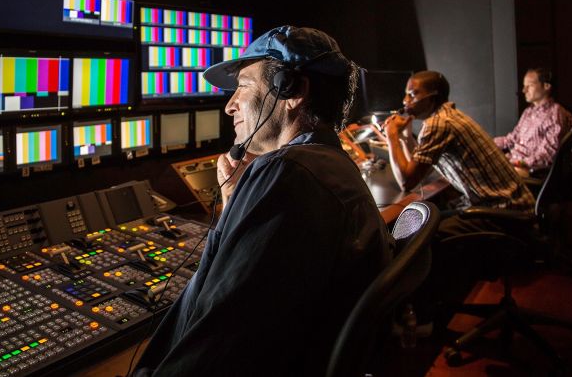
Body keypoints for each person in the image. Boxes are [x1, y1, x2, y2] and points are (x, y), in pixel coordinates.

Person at [134, 26, 393, 376]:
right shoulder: (327, 165)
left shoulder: (288, 171)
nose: (230, 106)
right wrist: (234, 205)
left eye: (242, 86)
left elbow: (221, 341)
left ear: (291, 90)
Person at [383, 71, 534, 238]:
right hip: (510, 205)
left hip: (502, 213)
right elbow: (420, 167)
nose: (405, 100)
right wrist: (404, 138)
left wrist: (391, 136)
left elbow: (406, 182)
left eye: (412, 94)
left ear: (433, 96)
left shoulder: (438, 124)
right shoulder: (447, 116)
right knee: (434, 216)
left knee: (422, 237)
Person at [494, 68, 572, 177]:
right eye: (524, 86)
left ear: (546, 86)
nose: (524, 90)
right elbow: (512, 139)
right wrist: (488, 142)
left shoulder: (555, 113)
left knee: (487, 176)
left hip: (529, 169)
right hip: (513, 162)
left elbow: (547, 154)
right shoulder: (528, 112)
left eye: (530, 86)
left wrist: (518, 162)